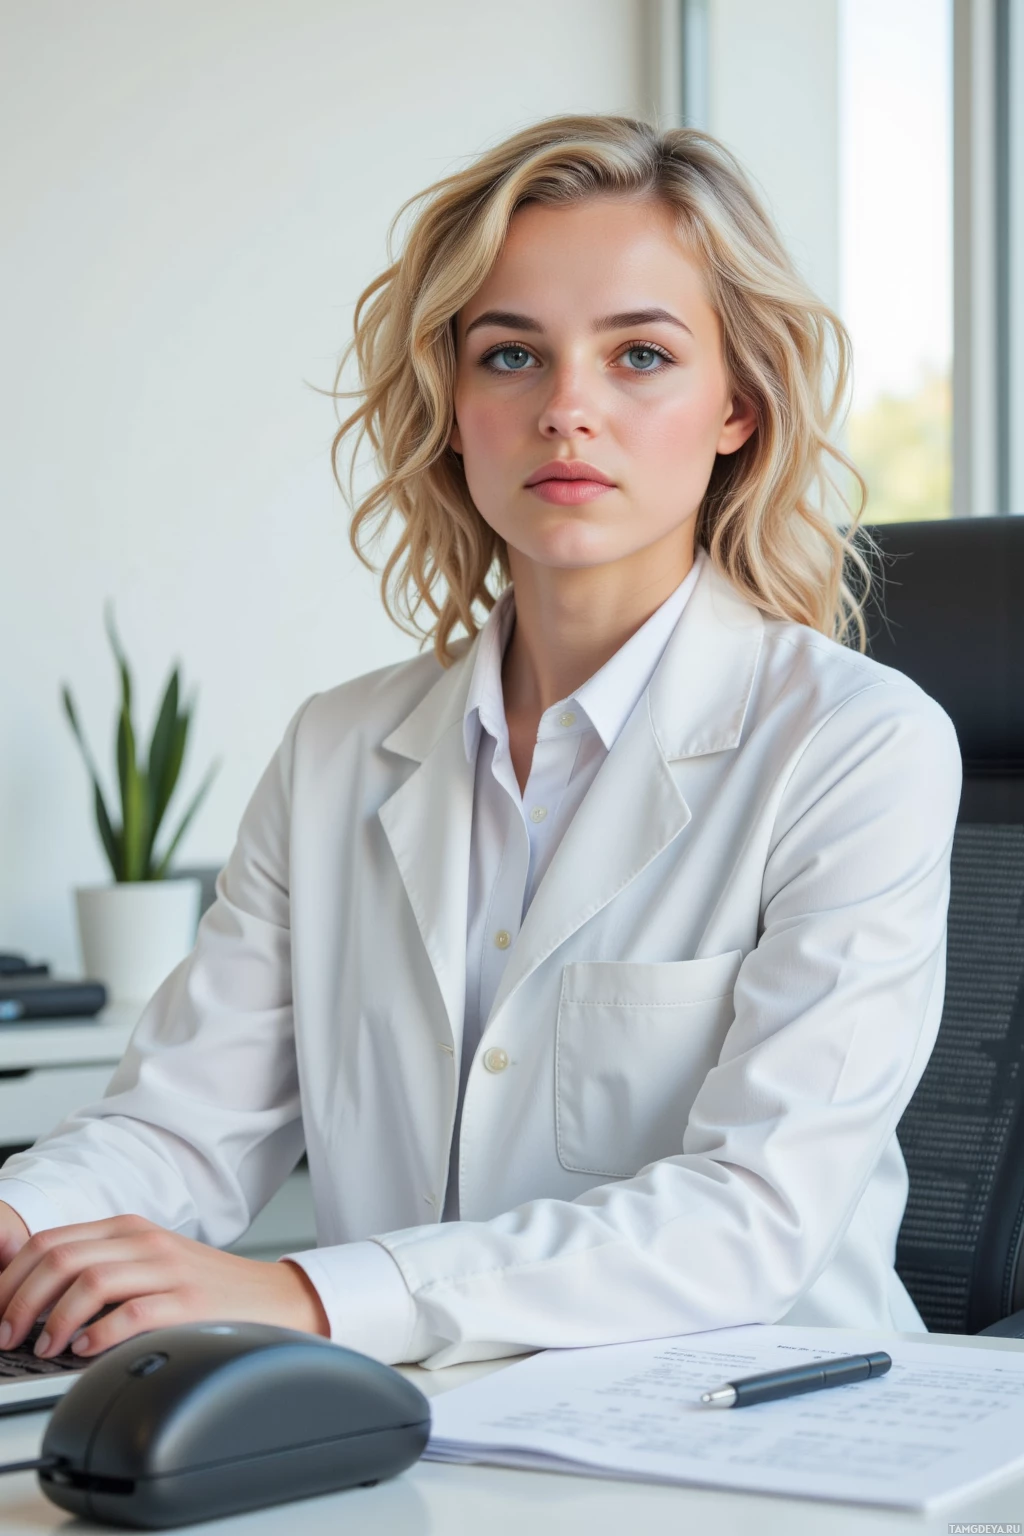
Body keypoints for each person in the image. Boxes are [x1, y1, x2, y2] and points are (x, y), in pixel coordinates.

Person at [0, 114, 961, 1371]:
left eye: (639, 356)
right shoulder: (340, 747)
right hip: (418, 1435)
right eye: (511, 355)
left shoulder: (855, 745)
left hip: (759, 1429)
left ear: (737, 406)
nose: (568, 409)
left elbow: (750, 1221)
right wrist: (23, 1219)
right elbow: (182, 1128)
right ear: (453, 406)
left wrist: (301, 1293)